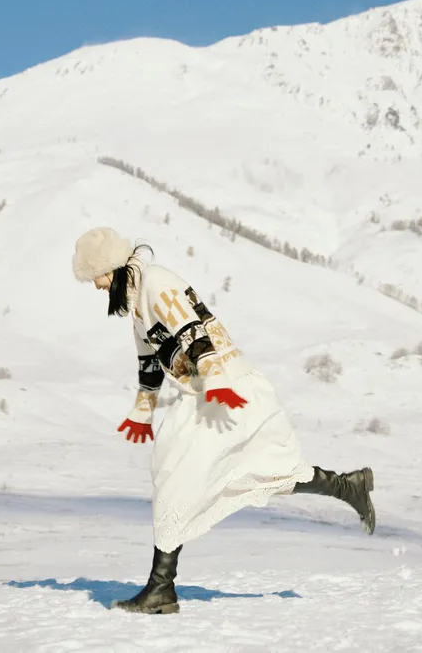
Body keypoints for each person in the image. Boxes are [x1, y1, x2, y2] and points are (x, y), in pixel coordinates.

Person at [72, 227, 375, 615]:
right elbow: (149, 361)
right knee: (182, 477)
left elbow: (193, 330)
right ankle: (348, 486)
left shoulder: (157, 284)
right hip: (202, 394)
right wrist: (143, 409)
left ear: (110, 268)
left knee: (251, 473)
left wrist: (214, 378)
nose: (96, 286)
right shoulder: (138, 304)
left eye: (94, 276)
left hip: (225, 389)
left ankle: (161, 590)